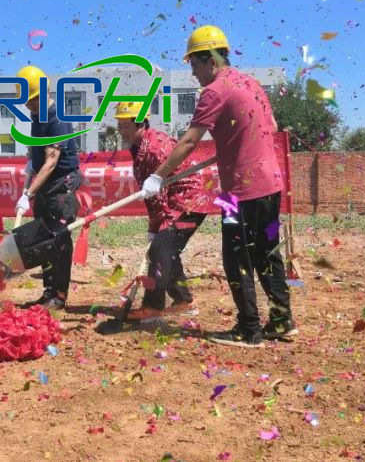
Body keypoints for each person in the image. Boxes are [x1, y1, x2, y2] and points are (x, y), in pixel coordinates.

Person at [140, 26, 295, 348]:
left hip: (239, 192)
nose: (193, 74)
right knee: (267, 254)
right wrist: (233, 145)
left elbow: (189, 140)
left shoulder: (215, 91)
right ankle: (282, 321)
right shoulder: (249, 83)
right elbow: (272, 127)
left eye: (194, 66)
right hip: (271, 184)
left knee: (236, 257)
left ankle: (248, 329)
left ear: (208, 60)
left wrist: (158, 176)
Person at [114, 102, 207, 321]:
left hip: (188, 203)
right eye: (119, 126)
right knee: (165, 251)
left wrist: (158, 227)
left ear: (140, 124)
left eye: (125, 126)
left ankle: (153, 307)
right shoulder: (139, 146)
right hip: (175, 203)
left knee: (159, 252)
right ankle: (184, 301)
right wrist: (153, 228)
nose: (121, 131)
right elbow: (153, 192)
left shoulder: (155, 148)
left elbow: (160, 196)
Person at [13, 65, 84, 310]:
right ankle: (48, 292)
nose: (28, 105)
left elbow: (52, 161)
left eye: (31, 100)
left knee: (58, 240)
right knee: (44, 239)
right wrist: (31, 162)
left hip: (60, 184)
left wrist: (28, 193)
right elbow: (41, 154)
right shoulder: (38, 117)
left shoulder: (57, 118)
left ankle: (59, 296)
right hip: (45, 183)